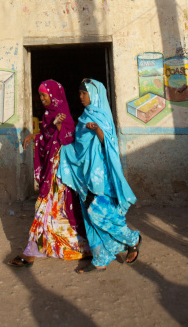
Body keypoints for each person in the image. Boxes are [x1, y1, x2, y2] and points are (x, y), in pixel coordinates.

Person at [58, 78, 141, 273]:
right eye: (79, 93)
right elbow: (79, 147)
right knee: (88, 214)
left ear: (94, 95)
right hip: (85, 174)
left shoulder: (101, 116)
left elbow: (108, 145)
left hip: (100, 175)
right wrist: (63, 150)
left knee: (100, 211)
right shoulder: (84, 116)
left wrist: (97, 130)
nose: (80, 97)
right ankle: (100, 257)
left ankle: (132, 239)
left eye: (84, 93)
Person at [9, 79, 90, 267]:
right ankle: (38, 248)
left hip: (60, 175)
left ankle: (32, 251)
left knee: (47, 207)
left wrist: (60, 126)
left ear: (53, 95)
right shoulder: (48, 115)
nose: (42, 98)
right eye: (41, 95)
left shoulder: (64, 115)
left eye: (44, 95)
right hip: (51, 173)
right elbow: (47, 136)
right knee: (49, 210)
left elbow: (69, 139)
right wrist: (35, 136)